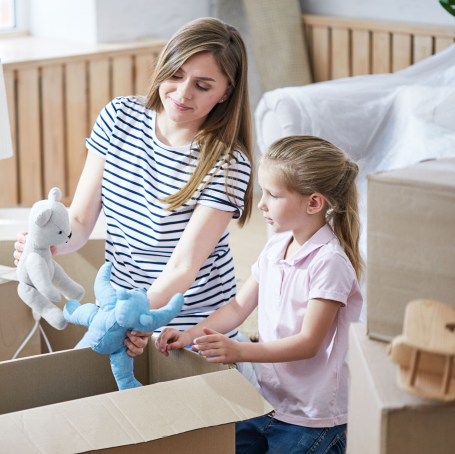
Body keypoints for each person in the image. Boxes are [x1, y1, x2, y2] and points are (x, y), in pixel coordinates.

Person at [14, 17, 259, 385]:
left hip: (191, 327)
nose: (182, 93)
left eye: (202, 85)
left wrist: (136, 316)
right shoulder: (119, 117)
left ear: (225, 92)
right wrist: (48, 246)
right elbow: (79, 221)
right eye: (175, 75)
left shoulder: (227, 164)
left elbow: (183, 267)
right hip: (121, 315)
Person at [156, 135, 364, 453]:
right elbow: (238, 306)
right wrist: (189, 336)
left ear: (314, 203)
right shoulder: (276, 245)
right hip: (268, 401)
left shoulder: (329, 262)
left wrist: (239, 352)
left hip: (313, 419)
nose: (261, 203)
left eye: (273, 195)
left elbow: (309, 343)